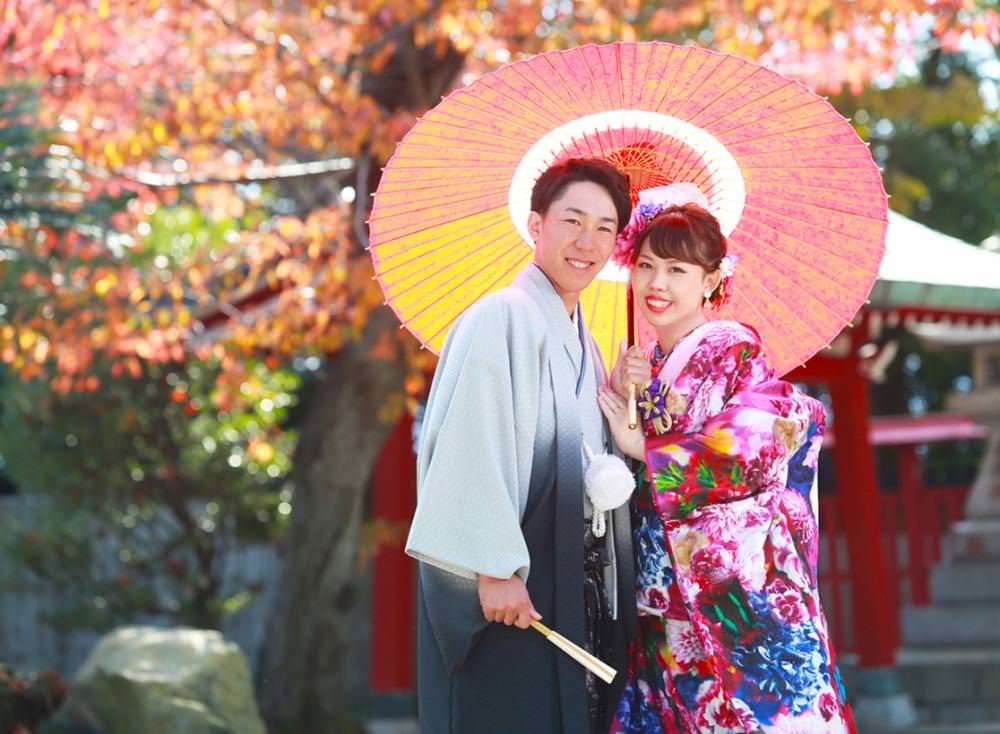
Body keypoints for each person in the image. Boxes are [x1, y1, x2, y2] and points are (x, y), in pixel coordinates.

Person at [597, 183, 856, 732]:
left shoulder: (732, 348)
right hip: (660, 584)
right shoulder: (645, 362)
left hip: (724, 585)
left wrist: (641, 445)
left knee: (733, 712)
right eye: (645, 266)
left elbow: (754, 445)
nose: (657, 284)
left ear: (711, 280)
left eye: (677, 270)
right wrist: (626, 394)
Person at [405, 158, 639, 734]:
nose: (588, 242)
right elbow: (469, 441)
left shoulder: (583, 337)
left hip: (570, 583)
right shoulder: (500, 317)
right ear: (536, 225)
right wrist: (491, 566)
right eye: (572, 221)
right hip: (516, 585)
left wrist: (619, 398)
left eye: (606, 228)